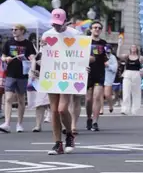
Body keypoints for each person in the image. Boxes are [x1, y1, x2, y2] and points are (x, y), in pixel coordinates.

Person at [41, 9, 81, 154]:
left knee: (62, 109)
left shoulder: (74, 34)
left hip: (68, 74)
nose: (56, 26)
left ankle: (69, 134)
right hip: (52, 73)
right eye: (54, 23)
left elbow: (81, 55)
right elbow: (44, 56)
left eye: (59, 23)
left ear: (65, 21)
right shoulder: (47, 35)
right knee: (54, 110)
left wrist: (83, 68)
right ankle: (58, 143)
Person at [0, 24, 37, 133]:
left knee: (21, 99)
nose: (13, 31)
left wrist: (32, 65)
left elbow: (33, 57)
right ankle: (7, 123)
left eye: (16, 29)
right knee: (8, 98)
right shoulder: (8, 42)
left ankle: (19, 123)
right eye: (12, 29)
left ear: (22, 31)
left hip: (23, 75)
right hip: (10, 73)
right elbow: (2, 56)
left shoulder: (28, 44)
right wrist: (6, 58)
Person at [86, 21, 109, 131]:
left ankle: (95, 122)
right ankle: (89, 118)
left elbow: (106, 57)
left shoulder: (103, 43)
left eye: (99, 28)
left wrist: (107, 59)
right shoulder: (85, 41)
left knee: (96, 97)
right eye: (95, 27)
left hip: (99, 72)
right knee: (88, 99)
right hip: (87, 72)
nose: (97, 29)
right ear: (90, 29)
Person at [116, 41, 143, 115]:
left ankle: (135, 110)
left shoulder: (140, 58)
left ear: (137, 49)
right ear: (130, 49)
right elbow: (118, 55)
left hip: (136, 74)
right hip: (127, 74)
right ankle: (125, 109)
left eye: (134, 47)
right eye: (132, 47)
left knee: (136, 93)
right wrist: (119, 46)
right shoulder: (127, 56)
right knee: (126, 92)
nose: (133, 48)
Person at [102, 46, 118, 114]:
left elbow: (115, 68)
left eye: (108, 52)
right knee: (100, 94)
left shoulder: (113, 57)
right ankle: (101, 109)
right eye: (106, 52)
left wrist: (108, 65)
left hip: (109, 77)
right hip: (100, 76)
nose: (107, 53)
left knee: (107, 94)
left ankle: (110, 105)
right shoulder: (101, 56)